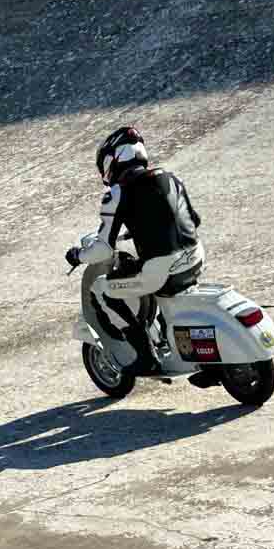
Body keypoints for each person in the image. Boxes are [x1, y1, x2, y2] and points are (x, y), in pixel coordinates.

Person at [65, 126, 204, 374]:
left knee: (101, 290)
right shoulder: (170, 178)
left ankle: (144, 356)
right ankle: (168, 339)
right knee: (146, 280)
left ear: (113, 160)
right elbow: (193, 219)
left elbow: (103, 250)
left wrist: (77, 254)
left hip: (161, 269)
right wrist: (140, 231)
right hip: (195, 257)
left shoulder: (118, 193)